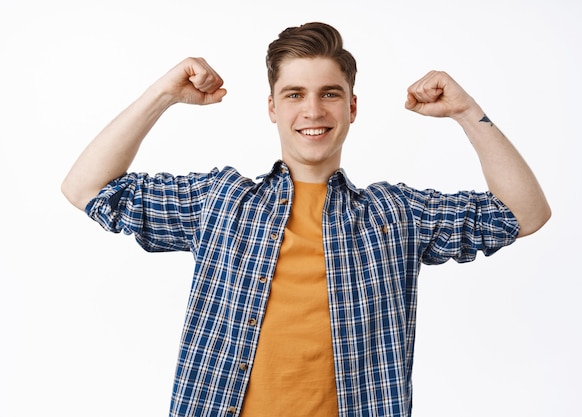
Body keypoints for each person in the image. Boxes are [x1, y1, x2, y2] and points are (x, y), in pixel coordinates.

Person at [62, 22, 550, 417]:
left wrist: (467, 111)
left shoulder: (395, 215)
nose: (313, 110)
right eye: (294, 94)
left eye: (330, 94)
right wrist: (163, 93)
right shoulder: (220, 203)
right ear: (272, 107)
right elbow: (85, 187)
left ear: (352, 107)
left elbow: (524, 214)